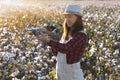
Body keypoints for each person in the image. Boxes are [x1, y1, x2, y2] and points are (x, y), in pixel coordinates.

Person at [39, 4, 88, 80]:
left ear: (77, 18)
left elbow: (66, 49)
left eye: (70, 16)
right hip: (60, 72)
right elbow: (57, 54)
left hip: (72, 75)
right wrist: (51, 40)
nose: (67, 19)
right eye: (66, 17)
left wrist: (49, 41)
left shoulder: (81, 35)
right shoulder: (66, 35)